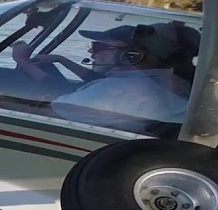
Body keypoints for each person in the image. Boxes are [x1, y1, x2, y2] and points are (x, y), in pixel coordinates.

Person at [13, 22, 199, 132]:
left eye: (98, 47)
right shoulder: (172, 80)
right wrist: (61, 59)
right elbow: (93, 79)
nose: (90, 51)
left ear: (130, 56)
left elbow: (41, 113)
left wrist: (21, 61)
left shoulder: (116, 91)